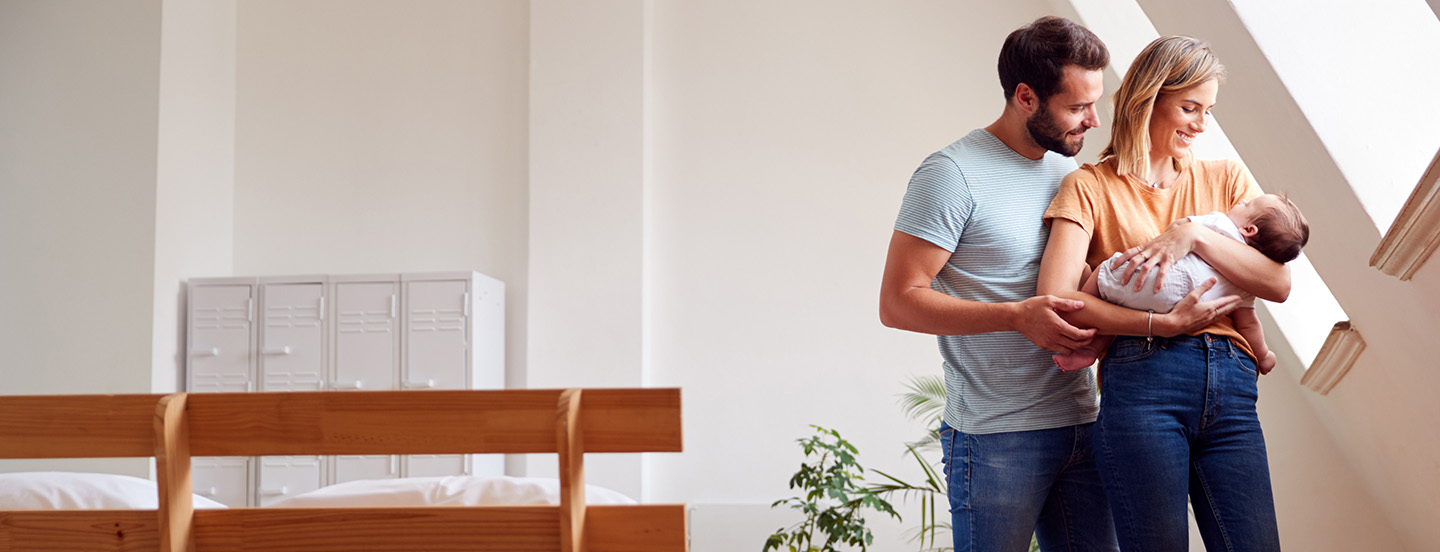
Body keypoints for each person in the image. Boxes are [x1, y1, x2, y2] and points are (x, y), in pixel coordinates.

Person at [879, 17, 1230, 552]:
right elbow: (899, 302)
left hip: (1086, 425)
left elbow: (1091, 286)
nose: (1093, 120)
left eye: (1095, 102)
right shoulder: (952, 173)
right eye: (1076, 107)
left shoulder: (1071, 176)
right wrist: (1014, 315)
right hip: (996, 437)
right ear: (1025, 96)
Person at [1038, 35, 1291, 551]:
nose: (1201, 124)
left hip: (1233, 388)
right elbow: (1059, 300)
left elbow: (1278, 282)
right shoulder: (1089, 187)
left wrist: (1192, 234)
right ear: (1148, 98)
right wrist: (1165, 324)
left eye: (1208, 111)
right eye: (1190, 107)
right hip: (1143, 382)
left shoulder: (1225, 179)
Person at [1052, 193, 1309, 374]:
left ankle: (1086, 337)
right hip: (1179, 307)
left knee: (1103, 274)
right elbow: (1248, 323)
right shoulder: (1245, 282)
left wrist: (1171, 235)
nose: (1241, 201)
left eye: (1247, 203)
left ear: (1249, 230)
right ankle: (1090, 350)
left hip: (1156, 279)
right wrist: (1263, 356)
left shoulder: (1220, 223)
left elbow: (1177, 228)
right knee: (1125, 303)